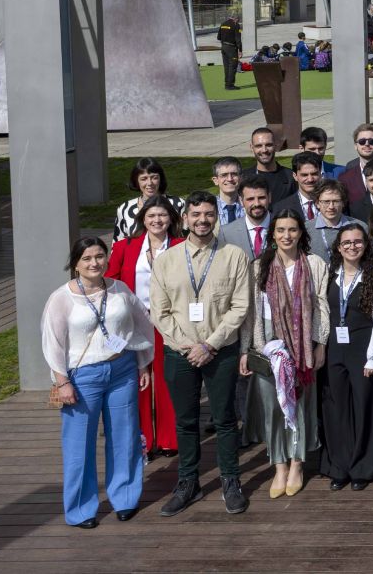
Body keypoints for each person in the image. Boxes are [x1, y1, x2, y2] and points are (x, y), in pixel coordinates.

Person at [149, 193, 253, 516]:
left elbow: (240, 306)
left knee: (224, 420)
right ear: (185, 218)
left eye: (209, 214)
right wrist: (188, 346)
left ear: (216, 217)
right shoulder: (166, 260)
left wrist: (209, 344)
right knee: (186, 421)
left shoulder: (234, 256)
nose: (202, 220)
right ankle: (188, 482)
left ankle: (230, 480)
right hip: (180, 353)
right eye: (196, 214)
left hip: (220, 351)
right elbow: (160, 311)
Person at [44, 236, 154, 527]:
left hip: (122, 371)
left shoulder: (120, 289)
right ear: (76, 264)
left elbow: (142, 324)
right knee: (79, 444)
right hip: (82, 378)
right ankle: (81, 508)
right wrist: (62, 382)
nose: (94, 263)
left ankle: (126, 497)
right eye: (87, 259)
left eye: (99, 257)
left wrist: (142, 364)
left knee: (125, 438)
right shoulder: (61, 298)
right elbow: (53, 344)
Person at [242, 209, 329, 498]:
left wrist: (320, 343)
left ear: (302, 233)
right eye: (280, 230)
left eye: (292, 229)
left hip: (303, 343)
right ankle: (278, 464)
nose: (286, 235)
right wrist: (247, 349)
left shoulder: (314, 264)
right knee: (274, 408)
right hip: (268, 343)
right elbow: (251, 312)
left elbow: (321, 306)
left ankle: (297, 464)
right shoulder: (260, 266)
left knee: (300, 405)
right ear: (273, 234)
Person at [103, 195, 182, 460]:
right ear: (142, 220)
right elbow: (110, 281)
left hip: (169, 321)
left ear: (170, 218)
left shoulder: (181, 246)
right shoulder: (126, 247)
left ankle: (170, 438)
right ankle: (144, 439)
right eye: (151, 216)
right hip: (134, 322)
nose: (157, 220)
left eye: (162, 215)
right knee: (139, 379)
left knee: (167, 378)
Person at [319, 219, 373, 491]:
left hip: (363, 348)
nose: (352, 246)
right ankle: (340, 466)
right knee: (336, 408)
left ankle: (363, 467)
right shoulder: (329, 274)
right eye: (346, 242)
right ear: (338, 246)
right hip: (334, 347)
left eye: (358, 241)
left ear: (366, 245)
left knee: (364, 406)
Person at [112, 158, 185, 243]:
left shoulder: (178, 204)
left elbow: (188, 238)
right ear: (136, 181)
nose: (150, 183)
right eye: (144, 179)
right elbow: (118, 243)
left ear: (160, 179)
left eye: (154, 178)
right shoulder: (125, 209)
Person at [218, 16, 243, 90]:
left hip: (224, 47)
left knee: (226, 66)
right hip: (231, 48)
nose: (238, 22)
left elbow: (218, 37)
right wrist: (240, 50)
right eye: (239, 20)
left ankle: (227, 84)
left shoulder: (223, 24)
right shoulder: (236, 25)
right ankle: (230, 85)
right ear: (236, 19)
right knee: (232, 67)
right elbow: (238, 39)